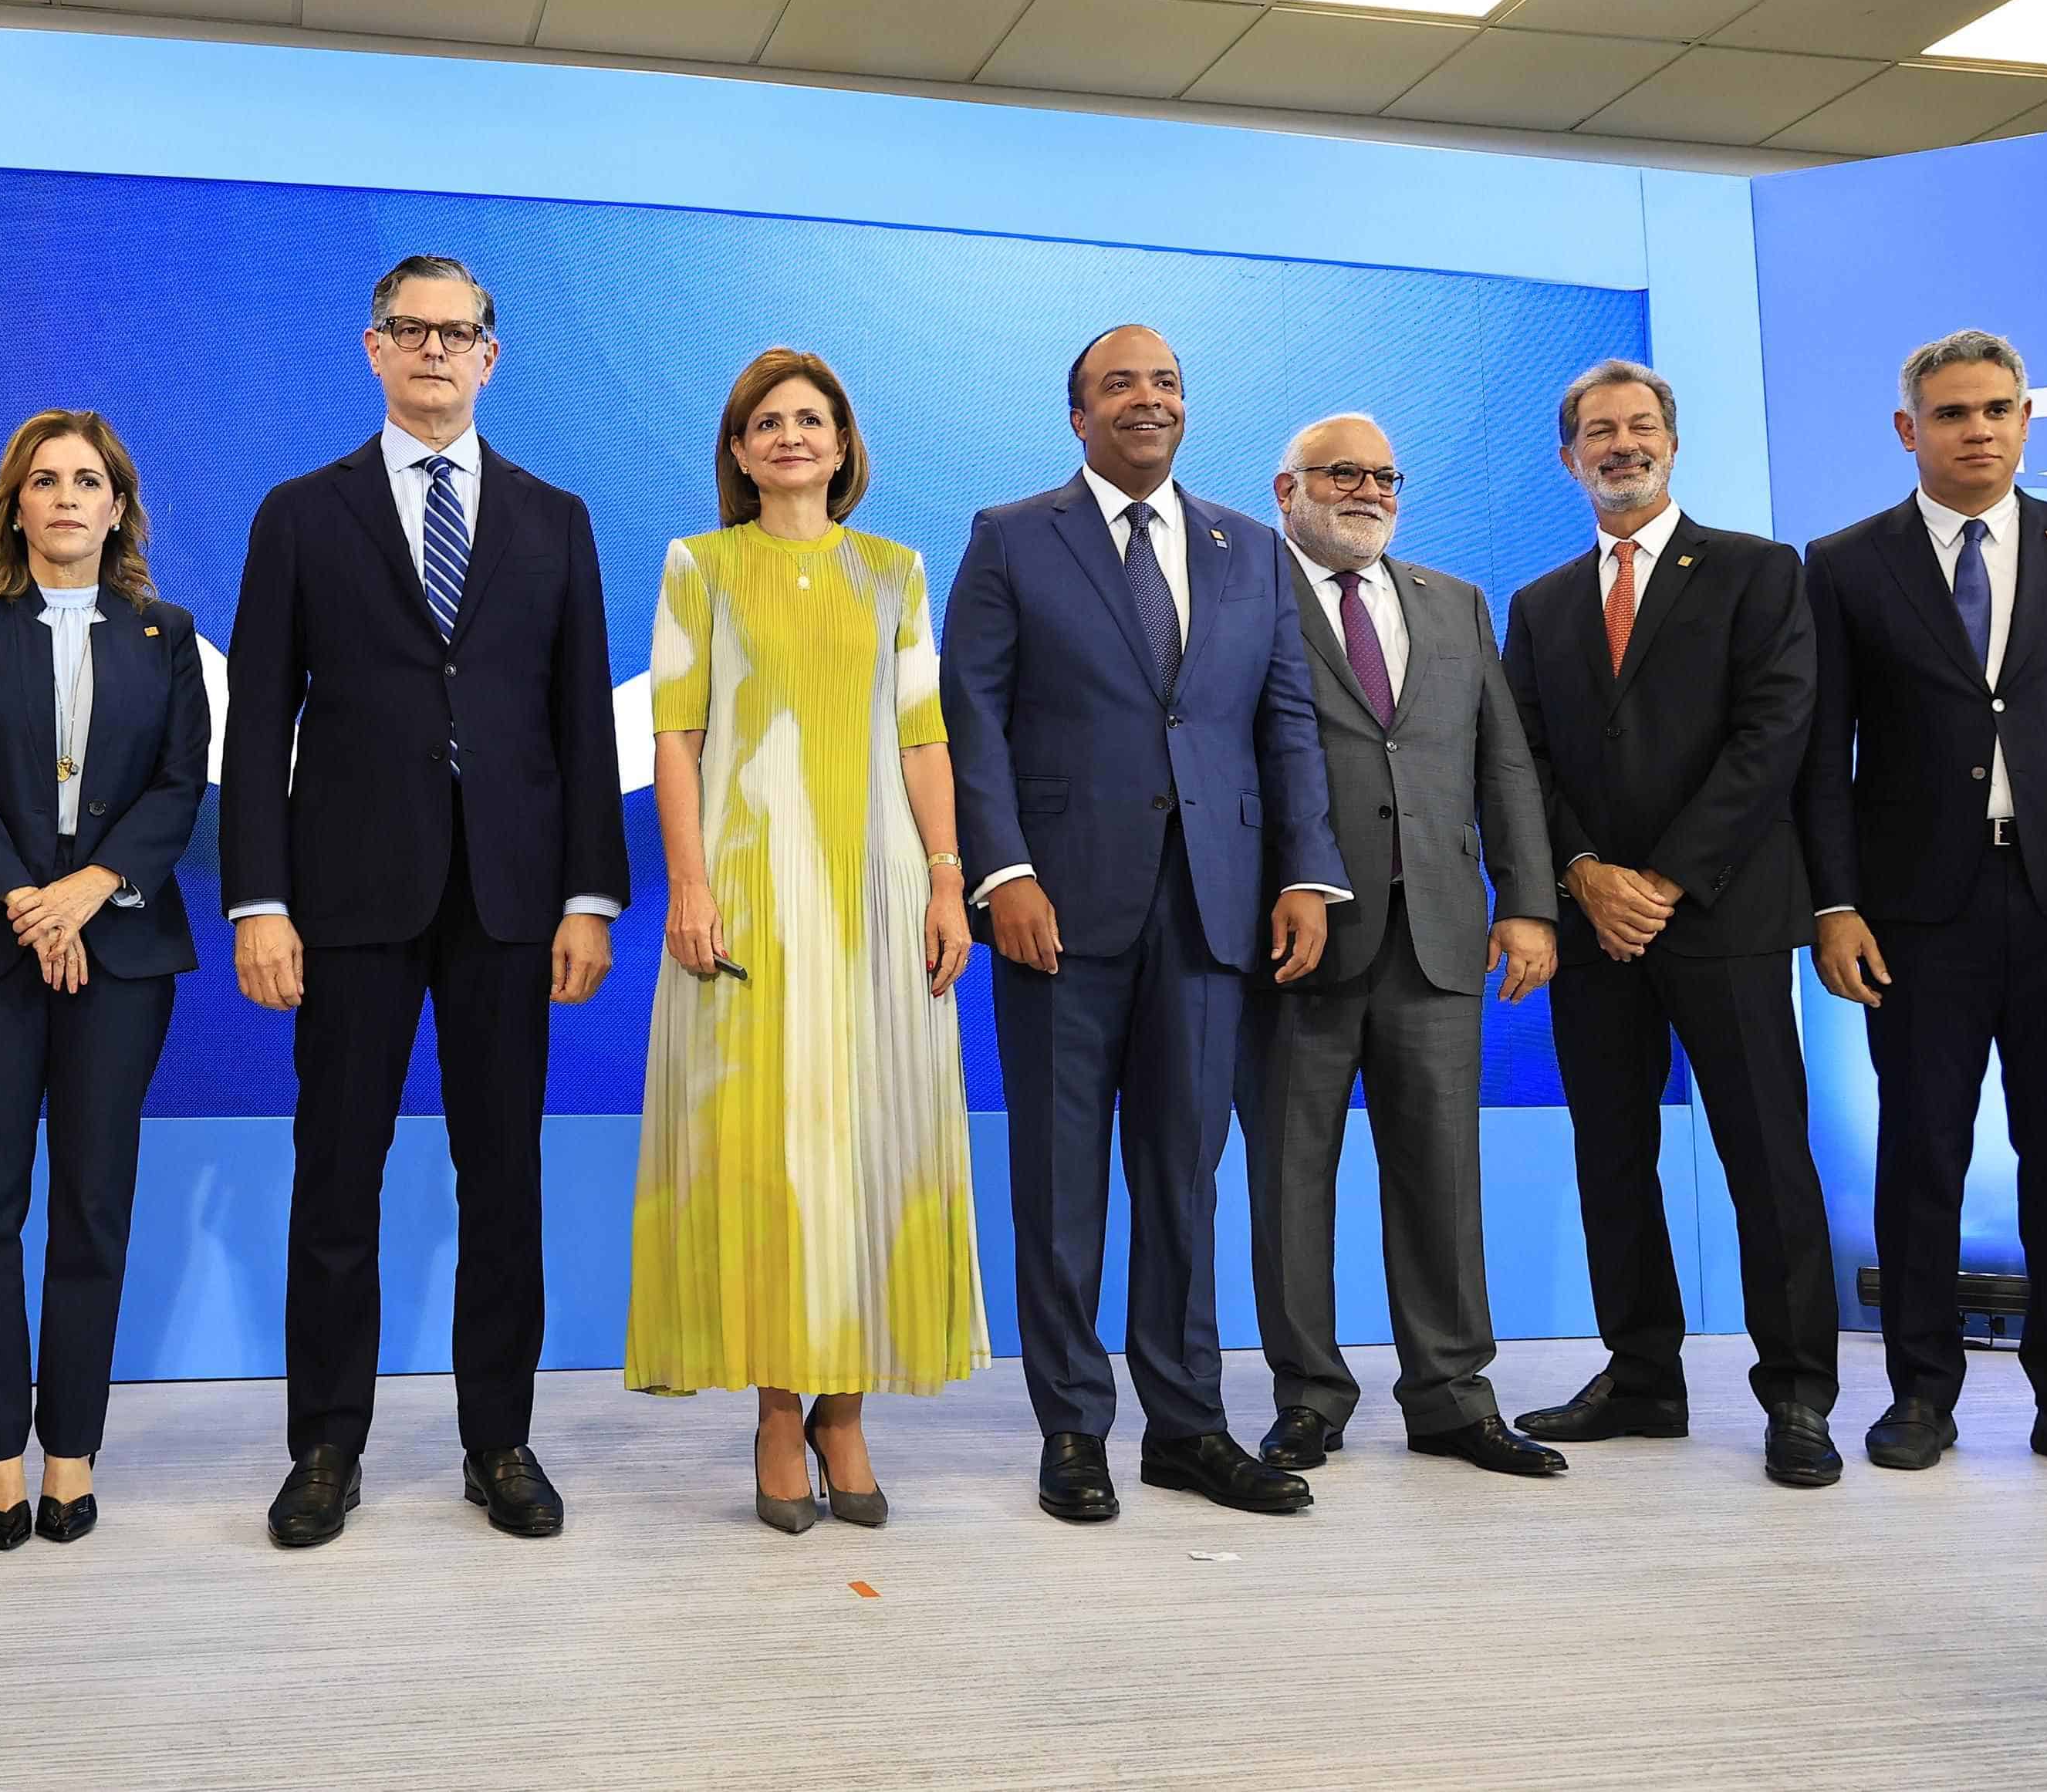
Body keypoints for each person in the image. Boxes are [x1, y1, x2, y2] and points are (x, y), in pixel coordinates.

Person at [222, 253, 627, 1550]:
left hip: (511, 903)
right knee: (338, 1177)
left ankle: (499, 1441)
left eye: (458, 333)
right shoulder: (301, 512)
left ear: (491, 356)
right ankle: (325, 1446)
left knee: (503, 1180)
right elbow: (257, 721)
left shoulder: (556, 517)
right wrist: (257, 902)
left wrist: (590, 895)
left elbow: (580, 717)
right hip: (346, 899)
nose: (435, 350)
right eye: (412, 329)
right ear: (374, 347)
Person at [941, 325, 1346, 1527]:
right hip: (1055, 910)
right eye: (1119, 383)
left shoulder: (1249, 546)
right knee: (1060, 1183)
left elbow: (1286, 720)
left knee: (1184, 1178)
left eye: (1165, 381)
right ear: (1078, 415)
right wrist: (1003, 870)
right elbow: (972, 713)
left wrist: (1306, 872)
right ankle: (1073, 1425)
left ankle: (1186, 1425)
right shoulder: (1012, 537)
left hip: (1214, 907)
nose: (1147, 398)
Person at [1801, 331, 2047, 1488]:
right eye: (1952, 412)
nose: (1977, 429)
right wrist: (1834, 903)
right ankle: (1921, 1394)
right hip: (1916, 911)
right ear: (1907, 430)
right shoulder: (1843, 562)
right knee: (1922, 1151)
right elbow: (1822, 756)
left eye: (1997, 409)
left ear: (2026, 421)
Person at [631, 349, 989, 1534]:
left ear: (843, 446)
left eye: (812, 419)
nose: (791, 435)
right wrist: (690, 883)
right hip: (748, 895)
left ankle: (847, 1410)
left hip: (881, 896)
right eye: (768, 422)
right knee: (771, 1153)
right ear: (740, 452)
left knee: (869, 1145)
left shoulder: (896, 571)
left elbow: (924, 738)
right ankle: (780, 1412)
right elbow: (676, 736)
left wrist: (948, 881)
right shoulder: (700, 565)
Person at [1502, 359, 1843, 1487]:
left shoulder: (1758, 570)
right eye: (1599, 430)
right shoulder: (1541, 604)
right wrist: (1585, 875)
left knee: (1767, 1158)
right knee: (1612, 1157)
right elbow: (1523, 760)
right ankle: (1643, 1375)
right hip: (1593, 926)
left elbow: (1774, 736)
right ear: (1569, 457)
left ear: (1673, 442)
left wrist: (1663, 882)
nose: (1622, 444)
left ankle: (1798, 1394)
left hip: (1723, 915)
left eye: (1640, 425)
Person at [0, 410, 210, 1545]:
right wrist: (27, 901)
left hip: (120, 950)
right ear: (15, 505)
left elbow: (180, 781)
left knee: (93, 1203)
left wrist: (89, 889)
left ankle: (71, 1453)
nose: (67, 498)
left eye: (89, 481)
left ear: (118, 507)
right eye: (45, 480)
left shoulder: (166, 633)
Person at [1239, 414, 1565, 1480]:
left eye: (1385, 475)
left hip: (1438, 932)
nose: (1368, 490)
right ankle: (1309, 1397)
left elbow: (1503, 763)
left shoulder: (1454, 601)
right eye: (1343, 473)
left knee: (1442, 1177)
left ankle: (1452, 1397)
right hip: (1295, 938)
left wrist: (1528, 901)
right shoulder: (1243, 592)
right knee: (1292, 1178)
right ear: (1287, 489)